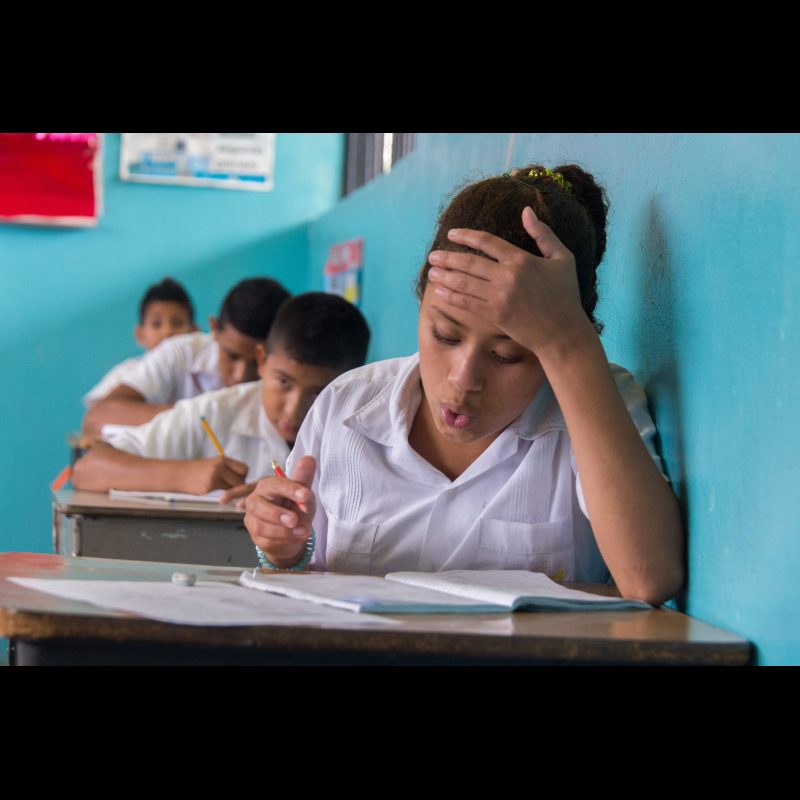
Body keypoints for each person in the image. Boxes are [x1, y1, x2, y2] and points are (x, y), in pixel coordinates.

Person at [243, 164, 684, 605]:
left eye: (508, 354)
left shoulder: (596, 401)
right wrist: (282, 548)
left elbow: (649, 579)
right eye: (445, 335)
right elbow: (296, 562)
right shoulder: (345, 407)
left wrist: (570, 343)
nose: (463, 378)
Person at [72, 293, 371, 503]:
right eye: (283, 382)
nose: (294, 409)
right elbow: (89, 470)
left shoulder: (373, 433)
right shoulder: (215, 413)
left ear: (352, 383)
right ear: (262, 360)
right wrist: (186, 475)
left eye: (319, 392)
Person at [82, 277, 290, 438]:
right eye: (232, 356)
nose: (241, 375)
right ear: (214, 329)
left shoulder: (292, 378)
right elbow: (97, 418)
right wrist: (202, 417)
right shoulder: (179, 353)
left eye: (257, 363)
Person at [83, 277, 198, 408]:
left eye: (177, 323)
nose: (167, 331)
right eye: (156, 324)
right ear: (140, 334)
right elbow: (97, 417)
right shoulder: (124, 374)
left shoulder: (202, 377)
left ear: (195, 333)